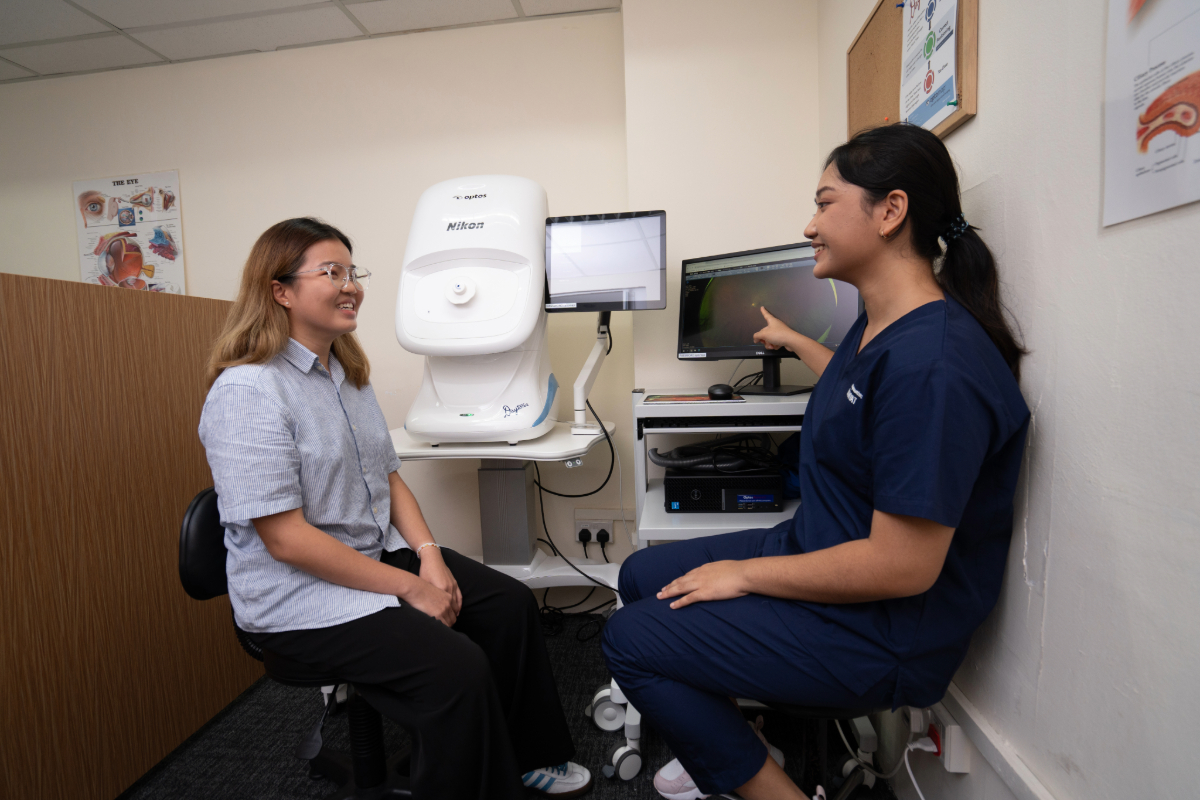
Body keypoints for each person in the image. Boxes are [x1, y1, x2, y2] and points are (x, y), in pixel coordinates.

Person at [601, 124, 1031, 800]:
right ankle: (745, 736)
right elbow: (862, 390)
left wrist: (745, 574)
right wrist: (797, 341)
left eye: (825, 204)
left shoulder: (936, 365)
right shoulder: (884, 322)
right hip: (822, 546)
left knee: (629, 638)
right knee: (640, 571)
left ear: (891, 211)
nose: (809, 225)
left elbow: (903, 564)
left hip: (884, 631)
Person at [198, 217, 592, 800]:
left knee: (508, 604)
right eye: (330, 272)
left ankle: (529, 756)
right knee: (455, 670)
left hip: (371, 558)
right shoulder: (247, 392)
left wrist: (430, 560)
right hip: (297, 595)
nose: (349, 284)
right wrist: (408, 589)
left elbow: (388, 479)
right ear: (280, 291)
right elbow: (285, 540)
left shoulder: (347, 375)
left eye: (352, 271)